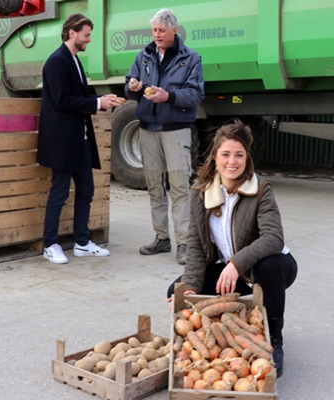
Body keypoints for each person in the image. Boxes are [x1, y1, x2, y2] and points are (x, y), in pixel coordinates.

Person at [167, 119, 297, 377]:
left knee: (269, 265)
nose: (232, 161)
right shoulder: (201, 193)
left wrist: (235, 264)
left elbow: (274, 238)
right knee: (177, 291)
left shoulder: (260, 190)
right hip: (234, 273)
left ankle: (275, 341)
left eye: (239, 155)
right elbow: (195, 245)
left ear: (247, 158)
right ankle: (215, 341)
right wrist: (191, 286)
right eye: (225, 154)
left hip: (269, 268)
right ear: (215, 157)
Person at [37, 13, 121, 264]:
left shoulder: (73, 60)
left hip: (80, 139)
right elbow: (62, 101)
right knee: (59, 192)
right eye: (86, 34)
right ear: (72, 33)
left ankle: (82, 243)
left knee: (86, 190)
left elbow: (82, 94)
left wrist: (105, 99)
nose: (89, 39)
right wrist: (97, 102)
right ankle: (50, 244)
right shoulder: (56, 61)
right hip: (62, 141)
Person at [125, 8, 204, 265]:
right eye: (154, 30)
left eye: (161, 30)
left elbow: (195, 94)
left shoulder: (190, 59)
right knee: (154, 186)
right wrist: (133, 87)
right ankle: (161, 238)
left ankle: (184, 243)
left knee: (180, 187)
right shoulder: (144, 56)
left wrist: (167, 96)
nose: (156, 35)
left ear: (173, 30)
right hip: (148, 128)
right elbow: (129, 84)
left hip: (176, 130)